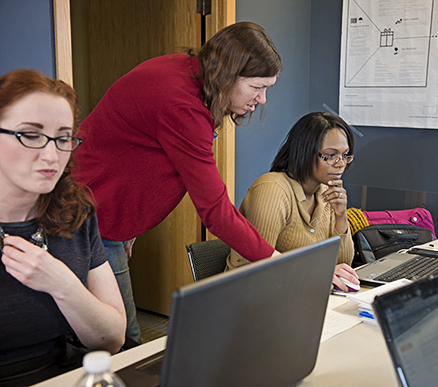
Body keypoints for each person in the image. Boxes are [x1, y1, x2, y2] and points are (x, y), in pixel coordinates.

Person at [72, 21, 283, 344]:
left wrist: (132, 225)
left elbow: (136, 155)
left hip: (105, 213)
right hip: (87, 216)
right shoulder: (182, 104)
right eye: (257, 87)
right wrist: (277, 261)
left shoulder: (188, 72)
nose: (263, 99)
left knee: (115, 336)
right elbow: (214, 209)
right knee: (121, 341)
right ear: (228, 76)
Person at [0, 69, 126, 386]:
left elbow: (112, 339)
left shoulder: (75, 213)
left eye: (63, 137)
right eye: (30, 135)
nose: (51, 155)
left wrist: (61, 283)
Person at [226, 112, 360, 292]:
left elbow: (343, 268)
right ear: (304, 152)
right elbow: (254, 272)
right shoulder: (272, 190)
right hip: (254, 302)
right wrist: (314, 274)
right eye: (330, 155)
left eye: (345, 155)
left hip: (299, 296)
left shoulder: (325, 192)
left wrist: (341, 215)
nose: (340, 163)